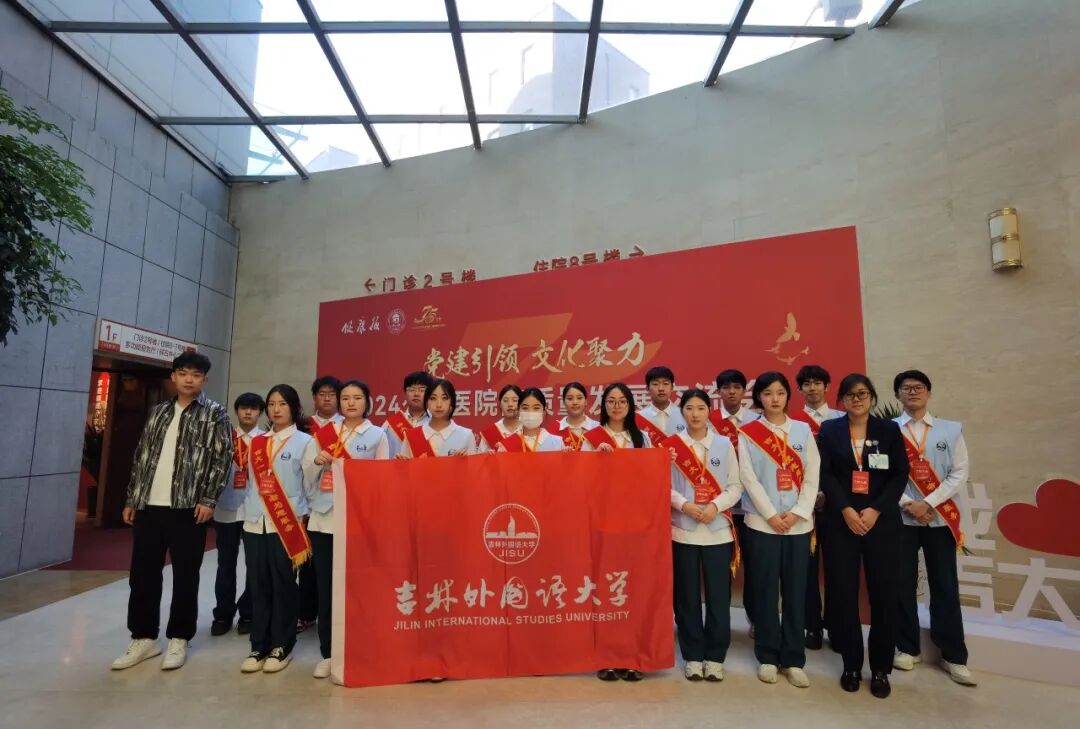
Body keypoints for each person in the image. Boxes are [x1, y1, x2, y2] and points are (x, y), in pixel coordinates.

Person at [112, 352, 233, 672]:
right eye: (183, 373)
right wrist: (132, 498)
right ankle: (144, 638)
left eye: (196, 374)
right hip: (149, 505)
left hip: (188, 507)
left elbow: (222, 459)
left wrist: (209, 499)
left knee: (185, 575)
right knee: (142, 575)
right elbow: (142, 456)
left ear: (205, 379)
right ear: (174, 377)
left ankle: (179, 638)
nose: (189, 379)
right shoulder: (158, 412)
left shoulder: (215, 414)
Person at [818, 374, 909, 698]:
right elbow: (825, 473)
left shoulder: (889, 430)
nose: (857, 400)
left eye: (862, 394)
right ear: (841, 400)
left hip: (880, 524)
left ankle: (881, 669)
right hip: (841, 523)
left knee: (884, 596)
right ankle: (852, 665)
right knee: (843, 595)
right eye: (850, 395)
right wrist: (845, 509)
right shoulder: (830, 430)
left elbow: (900, 474)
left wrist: (876, 509)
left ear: (871, 397)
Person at [892, 370, 976, 686]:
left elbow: (959, 473)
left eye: (919, 387)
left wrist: (927, 503)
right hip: (901, 518)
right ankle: (907, 647)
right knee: (901, 583)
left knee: (944, 584)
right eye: (906, 388)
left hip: (939, 518)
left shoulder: (950, 430)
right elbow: (881, 473)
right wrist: (907, 503)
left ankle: (953, 655)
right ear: (897, 395)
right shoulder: (888, 430)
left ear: (928, 392)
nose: (913, 392)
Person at [738, 372, 819, 688]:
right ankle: (768, 656)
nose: (774, 398)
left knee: (796, 592)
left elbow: (812, 475)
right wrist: (771, 514)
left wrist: (798, 512)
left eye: (780, 393)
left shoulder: (802, 430)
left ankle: (794, 659)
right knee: (765, 591)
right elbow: (748, 478)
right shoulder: (748, 433)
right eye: (768, 393)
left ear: (788, 396)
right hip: (762, 523)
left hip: (799, 525)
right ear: (759, 397)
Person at [308, 380, 389, 679]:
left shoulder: (378, 435)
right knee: (327, 588)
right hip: (324, 519)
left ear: (368, 402)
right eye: (345, 398)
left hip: (359, 521)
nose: (351, 403)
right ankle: (328, 653)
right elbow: (308, 477)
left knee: (359, 588)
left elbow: (382, 480)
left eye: (357, 397)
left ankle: (361, 649)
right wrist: (316, 462)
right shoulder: (325, 434)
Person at [663, 388, 743, 683]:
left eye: (700, 408)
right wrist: (684, 504)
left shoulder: (723, 444)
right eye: (689, 408)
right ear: (681, 412)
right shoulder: (671, 446)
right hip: (683, 530)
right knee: (686, 598)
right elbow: (662, 484)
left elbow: (735, 485)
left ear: (709, 410)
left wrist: (714, 506)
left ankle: (716, 656)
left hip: (717, 530)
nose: (695, 414)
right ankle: (693, 655)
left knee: (718, 597)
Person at [240, 385, 319, 674]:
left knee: (284, 583)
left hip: (286, 524)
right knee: (258, 583)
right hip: (254, 522)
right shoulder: (258, 442)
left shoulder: (305, 442)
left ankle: (282, 645)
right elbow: (251, 482)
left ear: (293, 407)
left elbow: (310, 484)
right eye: (272, 404)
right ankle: (258, 645)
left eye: (282, 403)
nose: (276, 409)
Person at [581, 382, 649, 681]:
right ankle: (606, 656)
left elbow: (650, 477)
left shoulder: (642, 438)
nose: (617, 406)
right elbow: (582, 480)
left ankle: (634, 655)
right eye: (611, 401)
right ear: (603, 405)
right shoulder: (592, 439)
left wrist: (665, 463)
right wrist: (597, 460)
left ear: (630, 405)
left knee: (633, 589)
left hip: (635, 524)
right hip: (603, 524)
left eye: (622, 401)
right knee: (605, 589)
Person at [791, 364, 844, 651]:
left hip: (836, 506)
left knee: (837, 569)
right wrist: (810, 495)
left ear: (827, 386)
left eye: (817, 383)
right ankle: (811, 625)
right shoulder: (792, 422)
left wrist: (829, 493)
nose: (812, 388)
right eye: (807, 384)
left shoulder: (841, 419)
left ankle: (836, 627)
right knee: (807, 571)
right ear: (800, 389)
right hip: (803, 506)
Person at [211, 392, 264, 637]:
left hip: (255, 510)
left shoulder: (265, 440)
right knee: (225, 564)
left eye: (253, 409)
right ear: (236, 411)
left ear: (260, 413)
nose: (248, 413)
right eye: (244, 408)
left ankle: (248, 613)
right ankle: (223, 614)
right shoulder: (224, 437)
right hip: (227, 509)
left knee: (254, 565)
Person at [710, 368, 758, 636]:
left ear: (744, 391)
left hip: (753, 506)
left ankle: (755, 617)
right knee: (720, 568)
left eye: (737, 387)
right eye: (726, 387)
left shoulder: (756, 421)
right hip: (721, 506)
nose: (731, 392)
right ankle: (720, 622)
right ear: (718, 392)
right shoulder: (708, 420)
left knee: (755, 564)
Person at [299, 376, 344, 632]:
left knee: (332, 564)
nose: (327, 398)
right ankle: (306, 613)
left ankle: (334, 616)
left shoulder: (347, 427)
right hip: (302, 502)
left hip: (334, 505)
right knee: (306, 563)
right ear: (314, 397)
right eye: (322, 394)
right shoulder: (304, 425)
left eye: (332, 394)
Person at [397, 379, 477, 459]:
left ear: (452, 402)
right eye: (433, 398)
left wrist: (464, 462)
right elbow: (405, 466)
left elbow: (475, 466)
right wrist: (401, 464)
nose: (439, 405)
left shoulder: (466, 435)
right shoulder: (411, 436)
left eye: (444, 398)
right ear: (426, 402)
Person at [496, 388, 565, 452]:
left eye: (536, 408)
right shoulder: (507, 445)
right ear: (518, 411)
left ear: (544, 411)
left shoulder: (557, 443)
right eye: (525, 408)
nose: (530, 413)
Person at [384, 371, 434, 458]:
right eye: (412, 390)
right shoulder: (390, 425)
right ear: (405, 393)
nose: (416, 394)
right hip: (396, 467)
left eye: (422, 390)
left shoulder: (436, 423)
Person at [636, 366, 687, 444]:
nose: (661, 388)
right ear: (647, 388)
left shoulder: (684, 415)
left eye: (665, 383)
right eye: (655, 384)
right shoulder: (639, 418)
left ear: (672, 387)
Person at [549, 381, 599, 450]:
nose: (575, 402)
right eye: (570, 398)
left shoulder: (596, 427)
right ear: (564, 402)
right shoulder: (553, 431)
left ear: (585, 401)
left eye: (579, 398)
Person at [478, 384, 522, 453]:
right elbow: (479, 459)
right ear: (500, 404)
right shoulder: (490, 433)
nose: (510, 404)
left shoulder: (530, 431)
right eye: (505, 400)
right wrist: (487, 457)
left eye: (515, 400)